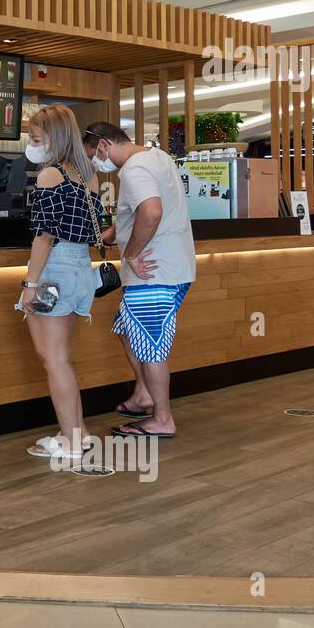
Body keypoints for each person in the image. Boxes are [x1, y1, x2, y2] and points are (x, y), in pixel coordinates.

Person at [83, 122, 196, 439]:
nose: (95, 162)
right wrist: (113, 234)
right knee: (125, 328)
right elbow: (141, 212)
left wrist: (130, 253)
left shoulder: (133, 169)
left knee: (150, 346)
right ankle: (144, 394)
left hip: (153, 271)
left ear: (104, 144)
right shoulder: (157, 157)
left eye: (93, 154)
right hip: (175, 267)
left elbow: (151, 212)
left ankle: (162, 418)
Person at [20, 105, 104, 460]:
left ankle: (70, 442)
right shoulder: (90, 176)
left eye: (36, 137)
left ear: (52, 137)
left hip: (52, 274)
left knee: (53, 360)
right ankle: (78, 432)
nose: (31, 143)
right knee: (61, 357)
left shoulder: (49, 176)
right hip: (80, 270)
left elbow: (43, 238)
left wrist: (30, 283)